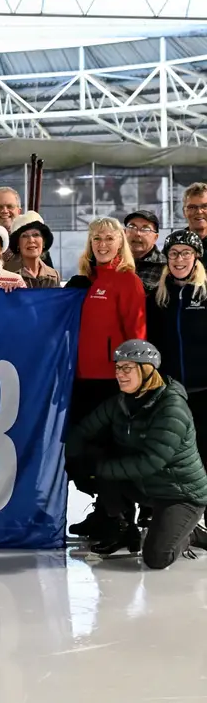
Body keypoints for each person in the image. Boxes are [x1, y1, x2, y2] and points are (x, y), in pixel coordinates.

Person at [66, 340, 207, 567]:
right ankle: (123, 527)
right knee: (96, 456)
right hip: (146, 486)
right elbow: (84, 430)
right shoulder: (121, 402)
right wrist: (67, 459)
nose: (120, 374)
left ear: (147, 370)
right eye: (118, 368)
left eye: (127, 368)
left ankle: (189, 534)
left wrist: (95, 469)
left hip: (179, 494)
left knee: (157, 558)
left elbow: (150, 462)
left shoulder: (171, 408)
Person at [66, 217, 147, 538]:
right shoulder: (90, 280)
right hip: (84, 380)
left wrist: (132, 380)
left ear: (120, 244)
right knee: (90, 451)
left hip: (112, 382)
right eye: (97, 238)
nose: (102, 244)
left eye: (109, 239)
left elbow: (136, 334)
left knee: (112, 451)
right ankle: (104, 511)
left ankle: (121, 519)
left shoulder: (127, 281)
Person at [147, 230, 207, 464]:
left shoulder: (204, 294)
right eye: (173, 253)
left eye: (186, 253)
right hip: (170, 393)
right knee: (176, 457)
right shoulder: (158, 298)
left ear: (196, 258)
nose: (179, 259)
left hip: (204, 391)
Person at [4, 212, 60, 288]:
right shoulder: (5, 273)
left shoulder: (54, 275)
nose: (31, 240)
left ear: (43, 242)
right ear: (17, 244)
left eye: (36, 235)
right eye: (24, 236)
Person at [124, 209, 165, 294]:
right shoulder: (112, 262)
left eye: (145, 229)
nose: (138, 233)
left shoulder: (165, 267)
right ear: (124, 233)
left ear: (155, 238)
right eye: (132, 227)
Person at [182, 182, 207, 259]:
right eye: (192, 207)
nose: (199, 211)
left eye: (205, 206)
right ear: (184, 212)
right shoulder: (173, 243)